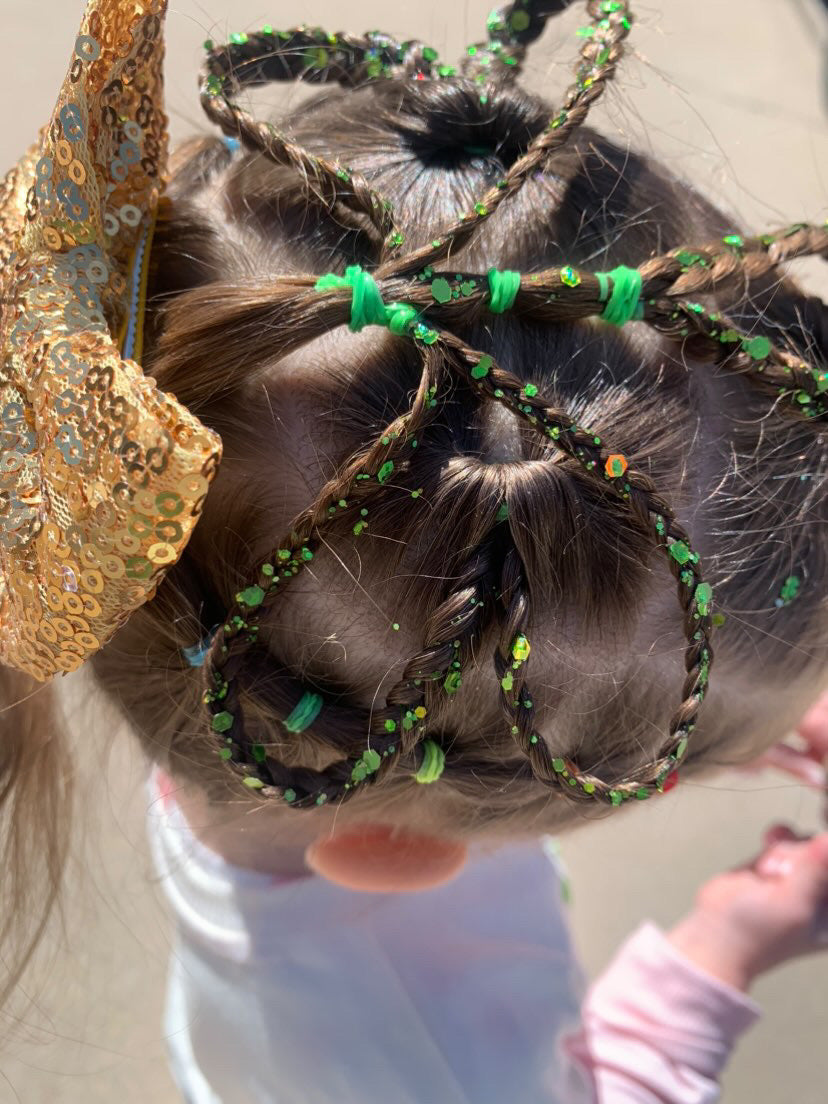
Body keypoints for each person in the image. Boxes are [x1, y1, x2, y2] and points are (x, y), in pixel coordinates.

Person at [0, 0, 826, 1100]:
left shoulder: (266, 680)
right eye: (655, 759)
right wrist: (715, 957)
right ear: (398, 852)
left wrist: (666, 686)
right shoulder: (415, 1074)